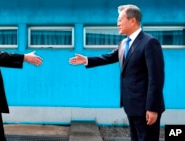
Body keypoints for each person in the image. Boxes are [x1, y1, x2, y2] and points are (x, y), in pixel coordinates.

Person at [69, 4, 165, 141]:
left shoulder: (150, 42)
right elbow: (109, 57)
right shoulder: (124, 43)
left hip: (146, 108)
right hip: (131, 105)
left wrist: (152, 108)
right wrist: (87, 60)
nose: (117, 23)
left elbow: (156, 78)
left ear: (132, 20)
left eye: (120, 20)